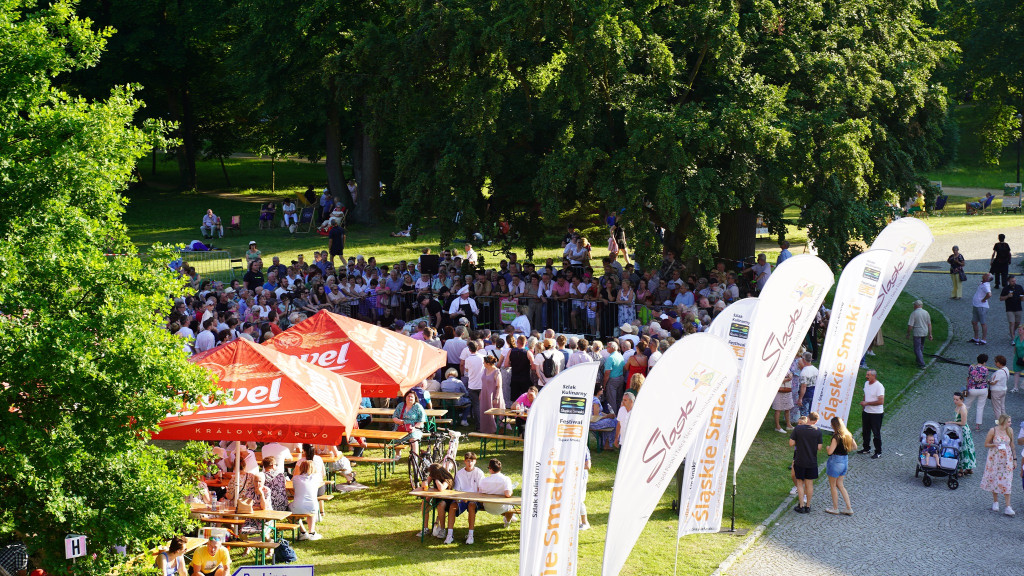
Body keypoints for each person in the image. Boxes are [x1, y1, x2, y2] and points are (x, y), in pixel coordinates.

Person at [438, 452, 486, 544]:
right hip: (462, 498)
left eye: (472, 461)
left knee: (471, 506)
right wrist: (461, 498)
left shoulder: (479, 472)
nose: (470, 463)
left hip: (474, 499)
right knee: (452, 506)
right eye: (468, 461)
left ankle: (470, 535)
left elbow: (481, 490)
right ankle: (449, 534)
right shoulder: (460, 474)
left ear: (475, 461)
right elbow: (457, 491)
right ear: (465, 461)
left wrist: (472, 498)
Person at [980, 414, 1016, 516]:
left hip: (1007, 459)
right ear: (1003, 422)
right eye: (1009, 421)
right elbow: (986, 444)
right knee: (994, 478)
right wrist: (994, 445)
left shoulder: (1010, 431)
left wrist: (1014, 459)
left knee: (1007, 480)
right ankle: (995, 501)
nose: (1010, 423)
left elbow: (1012, 445)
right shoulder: (993, 430)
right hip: (994, 458)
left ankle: (1008, 506)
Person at [789, 411, 822, 513]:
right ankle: (808, 506)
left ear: (807, 418)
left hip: (800, 460)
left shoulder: (798, 429)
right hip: (812, 461)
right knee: (809, 484)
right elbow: (819, 447)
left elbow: (791, 443)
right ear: (816, 421)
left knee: (799, 483)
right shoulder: (818, 431)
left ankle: (801, 506)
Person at [824, 417, 855, 515]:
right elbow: (855, 446)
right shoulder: (848, 434)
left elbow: (830, 452)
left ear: (834, 425)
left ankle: (835, 508)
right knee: (840, 485)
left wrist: (828, 447)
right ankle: (848, 508)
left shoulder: (836, 437)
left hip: (835, 461)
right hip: (844, 460)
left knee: (833, 486)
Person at [417, 463, 455, 539]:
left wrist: (436, 479)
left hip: (446, 499)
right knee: (425, 501)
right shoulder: (432, 475)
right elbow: (425, 485)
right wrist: (425, 481)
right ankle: (425, 528)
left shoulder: (447, 478)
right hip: (436, 497)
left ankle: (442, 529)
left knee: (440, 505)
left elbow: (441, 488)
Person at [478, 459, 517, 528]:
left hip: (488, 507)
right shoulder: (506, 479)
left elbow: (480, 493)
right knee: (511, 505)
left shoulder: (484, 481)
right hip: (501, 508)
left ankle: (509, 518)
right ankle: (508, 521)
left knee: (510, 505)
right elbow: (508, 494)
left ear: (490, 469)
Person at [290, 460, 323, 539]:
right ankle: (312, 532)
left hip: (298, 506)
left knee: (288, 510)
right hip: (313, 506)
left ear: (301, 468)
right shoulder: (317, 477)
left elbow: (292, 489)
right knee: (311, 505)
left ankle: (302, 531)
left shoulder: (296, 478)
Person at [857, 369, 885, 458]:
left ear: (873, 376)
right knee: (865, 431)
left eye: (868, 375)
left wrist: (867, 403)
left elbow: (881, 401)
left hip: (876, 414)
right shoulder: (866, 384)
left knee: (876, 433)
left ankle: (878, 451)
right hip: (867, 412)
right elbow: (866, 394)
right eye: (866, 374)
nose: (866, 376)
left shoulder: (879, 386)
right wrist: (864, 405)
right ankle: (866, 448)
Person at [393, 390, 427, 455]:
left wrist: (414, 428)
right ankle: (397, 455)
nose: (410, 398)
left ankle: (414, 457)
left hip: (415, 428)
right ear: (405, 397)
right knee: (396, 437)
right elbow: (394, 416)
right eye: (408, 396)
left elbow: (422, 419)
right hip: (401, 427)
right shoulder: (401, 405)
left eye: (412, 397)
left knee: (413, 439)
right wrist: (398, 421)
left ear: (415, 399)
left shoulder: (418, 406)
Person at [950, 392, 976, 476]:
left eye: (957, 399)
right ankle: (968, 468)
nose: (955, 401)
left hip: (963, 431)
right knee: (963, 448)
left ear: (962, 399)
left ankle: (962, 469)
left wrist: (952, 422)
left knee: (963, 448)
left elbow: (963, 422)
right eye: (954, 399)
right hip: (958, 429)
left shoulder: (963, 408)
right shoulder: (958, 406)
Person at [479, 355, 505, 434]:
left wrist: (496, 397)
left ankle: (497, 429)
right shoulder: (484, 370)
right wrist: (480, 393)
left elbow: (499, 386)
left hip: (493, 394)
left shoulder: (497, 372)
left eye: (484, 362)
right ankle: (486, 429)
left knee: (494, 412)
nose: (483, 363)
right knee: (484, 411)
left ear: (488, 363)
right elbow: (483, 383)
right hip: (484, 394)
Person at [965, 354, 989, 431]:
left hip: (972, 389)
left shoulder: (971, 367)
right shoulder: (985, 369)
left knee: (967, 405)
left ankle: (962, 421)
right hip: (983, 389)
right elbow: (984, 378)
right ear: (984, 362)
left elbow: (969, 377)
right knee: (980, 407)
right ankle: (977, 425)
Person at [590, 383, 618, 450]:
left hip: (594, 421)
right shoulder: (595, 401)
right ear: (597, 390)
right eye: (601, 388)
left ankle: (607, 443)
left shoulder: (594, 399)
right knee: (613, 422)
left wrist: (607, 415)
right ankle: (609, 443)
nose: (603, 389)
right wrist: (607, 416)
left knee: (614, 420)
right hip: (594, 423)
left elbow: (599, 413)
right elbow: (596, 416)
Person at [906, 299, 932, 368]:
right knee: (921, 346)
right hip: (925, 332)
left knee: (917, 348)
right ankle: (918, 360)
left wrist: (908, 333)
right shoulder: (926, 312)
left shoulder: (914, 313)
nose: (913, 306)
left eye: (914, 305)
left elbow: (910, 325)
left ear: (916, 306)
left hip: (917, 332)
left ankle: (922, 363)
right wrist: (930, 334)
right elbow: (929, 324)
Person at [602, 341, 626, 413]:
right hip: (620, 378)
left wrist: (604, 384)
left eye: (608, 347)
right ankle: (619, 415)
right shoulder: (620, 355)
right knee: (618, 399)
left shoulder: (611, 358)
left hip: (612, 380)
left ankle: (614, 417)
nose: (606, 348)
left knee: (612, 400)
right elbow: (624, 368)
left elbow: (607, 373)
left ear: (612, 348)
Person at [1000, 275, 1024, 341]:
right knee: (1012, 323)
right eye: (1012, 281)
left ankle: (1011, 332)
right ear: (1009, 281)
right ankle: (1013, 338)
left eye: (1015, 281)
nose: (1014, 282)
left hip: (1018, 308)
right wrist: (1007, 296)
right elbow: (1001, 298)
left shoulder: (1019, 287)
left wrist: (1022, 298)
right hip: (1009, 308)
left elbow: (1023, 297)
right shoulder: (1005, 289)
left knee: (1018, 323)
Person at [970, 273, 992, 345]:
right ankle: (976, 338)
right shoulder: (982, 283)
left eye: (986, 274)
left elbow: (989, 294)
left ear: (987, 278)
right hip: (976, 305)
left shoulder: (986, 285)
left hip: (982, 307)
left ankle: (983, 339)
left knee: (983, 323)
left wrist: (984, 299)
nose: (984, 274)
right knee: (974, 322)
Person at [796, 352, 818, 419]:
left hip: (806, 394)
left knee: (804, 414)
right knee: (812, 412)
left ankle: (805, 426)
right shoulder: (816, 370)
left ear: (803, 359)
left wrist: (800, 398)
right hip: (814, 393)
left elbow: (803, 386)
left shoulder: (804, 372)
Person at [989, 355, 1009, 421]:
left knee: (997, 408)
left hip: (996, 391)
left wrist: (988, 382)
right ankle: (1006, 421)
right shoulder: (1006, 369)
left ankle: (1000, 423)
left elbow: (993, 382)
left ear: (999, 363)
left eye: (996, 361)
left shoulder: (999, 372)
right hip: (1003, 390)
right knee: (1002, 407)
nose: (995, 363)